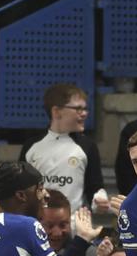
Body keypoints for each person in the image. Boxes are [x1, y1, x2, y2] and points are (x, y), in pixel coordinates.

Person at [19, 83, 108, 212]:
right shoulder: (31, 146)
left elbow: (94, 187)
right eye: (78, 109)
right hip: (37, 222)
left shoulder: (87, 146)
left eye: (85, 109)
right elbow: (21, 189)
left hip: (73, 222)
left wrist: (98, 200)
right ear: (56, 111)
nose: (84, 114)